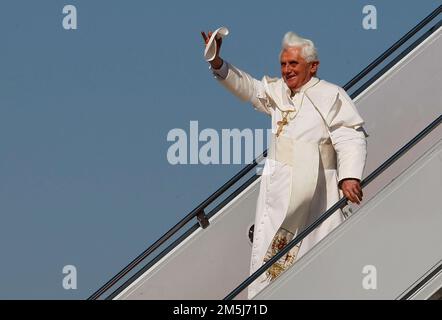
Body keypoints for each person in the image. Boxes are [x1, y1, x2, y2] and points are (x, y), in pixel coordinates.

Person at [201, 30, 367, 299]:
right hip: (278, 190)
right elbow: (250, 88)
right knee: (272, 261)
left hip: (317, 191)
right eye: (283, 64)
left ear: (313, 66)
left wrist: (349, 177)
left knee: (319, 255)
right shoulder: (278, 92)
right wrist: (218, 62)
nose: (287, 70)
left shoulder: (330, 94)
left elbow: (350, 136)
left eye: (293, 64)